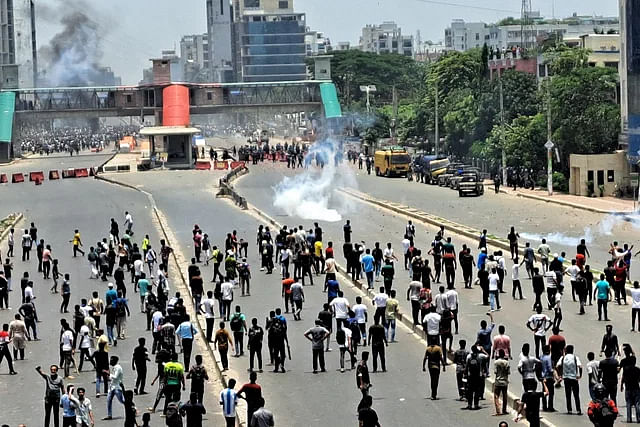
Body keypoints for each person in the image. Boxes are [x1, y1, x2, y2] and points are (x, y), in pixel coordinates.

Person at [556, 345, 583, 415]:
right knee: (576, 395)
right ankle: (578, 410)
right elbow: (580, 366)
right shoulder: (575, 357)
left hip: (566, 378)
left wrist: (560, 374)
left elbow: (557, 366)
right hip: (574, 378)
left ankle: (569, 410)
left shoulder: (563, 358)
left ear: (566, 350)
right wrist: (580, 375)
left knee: (568, 395)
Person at [103, 355, 126, 420]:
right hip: (112, 387)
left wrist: (108, 373)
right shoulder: (114, 367)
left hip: (117, 387)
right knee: (109, 400)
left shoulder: (118, 368)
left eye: (111, 360)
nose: (110, 361)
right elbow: (112, 378)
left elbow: (115, 376)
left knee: (122, 400)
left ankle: (133, 408)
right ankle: (109, 415)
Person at [620, 356, 640, 423]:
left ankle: (629, 419)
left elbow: (623, 378)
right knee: (637, 403)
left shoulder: (626, 369)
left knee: (628, 404)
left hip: (628, 388)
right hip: (636, 388)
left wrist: (622, 385)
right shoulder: (637, 369)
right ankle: (638, 418)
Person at [493, 349, 511, 415]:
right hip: (505, 381)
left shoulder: (496, 362)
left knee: (496, 396)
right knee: (505, 396)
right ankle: (504, 410)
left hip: (498, 381)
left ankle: (498, 411)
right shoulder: (507, 362)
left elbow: (495, 372)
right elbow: (508, 372)